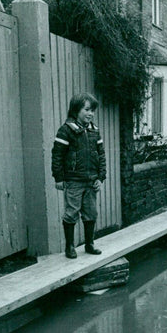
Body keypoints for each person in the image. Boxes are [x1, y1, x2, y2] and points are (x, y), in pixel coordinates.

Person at [52, 93, 107, 259]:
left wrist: (100, 177)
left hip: (91, 181)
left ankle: (89, 244)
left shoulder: (94, 131)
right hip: (73, 181)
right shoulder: (66, 130)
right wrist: (59, 178)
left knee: (91, 213)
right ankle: (70, 246)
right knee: (71, 213)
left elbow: (101, 155)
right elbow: (57, 156)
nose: (91, 114)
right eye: (87, 110)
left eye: (93, 111)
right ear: (76, 110)